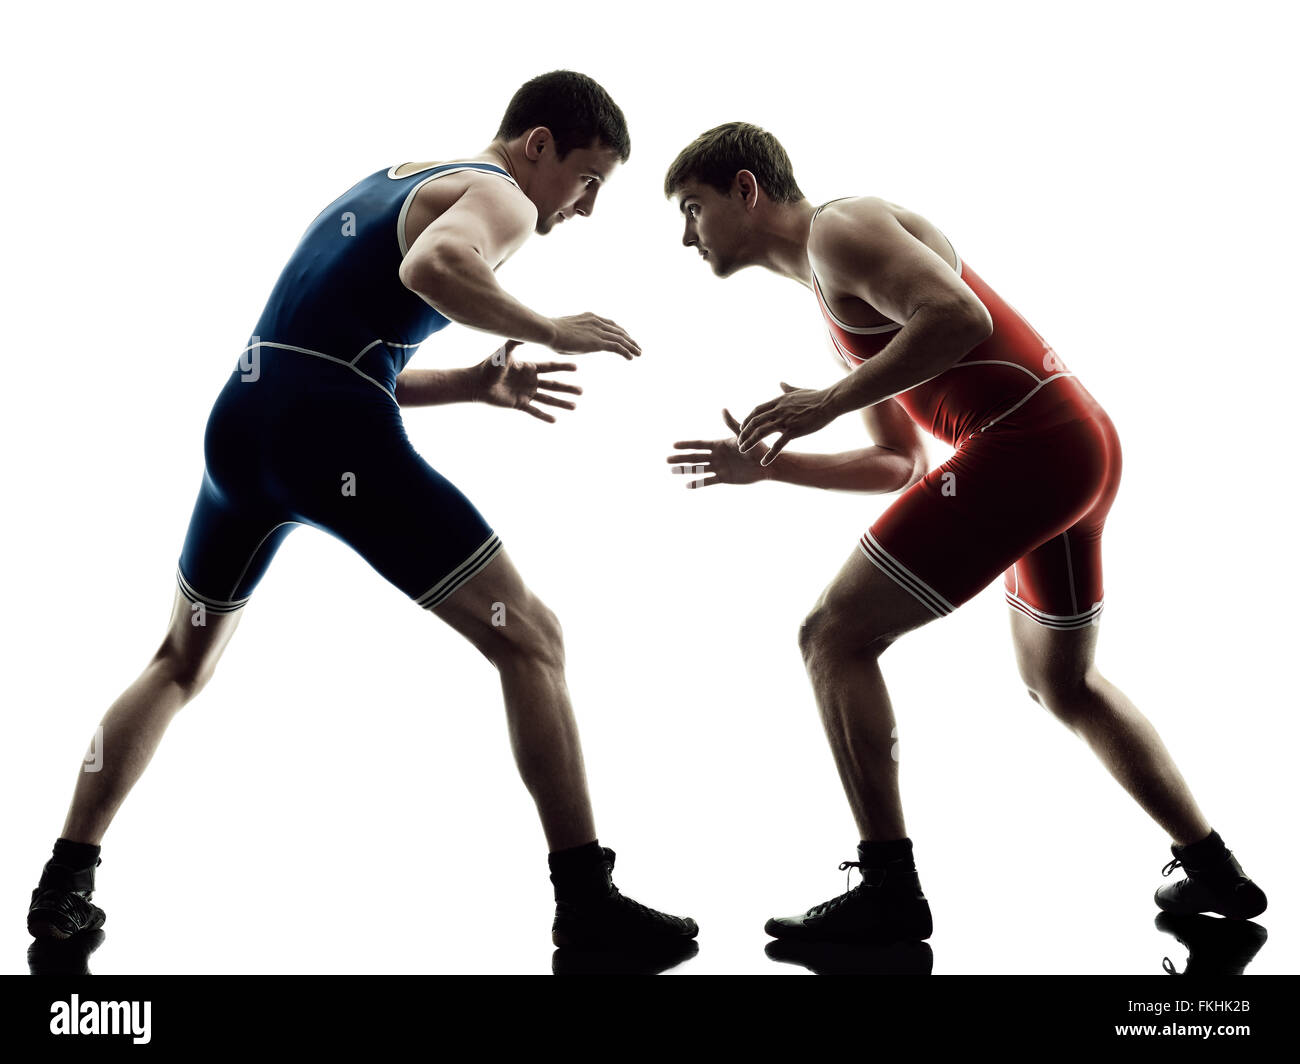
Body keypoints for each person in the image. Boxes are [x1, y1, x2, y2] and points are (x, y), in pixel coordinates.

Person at [27, 70, 698, 952]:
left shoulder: (397, 178)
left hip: (245, 421)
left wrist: (472, 381)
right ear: (539, 145)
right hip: (324, 429)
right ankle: (587, 905)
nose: (581, 210)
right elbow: (434, 268)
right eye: (586, 182)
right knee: (530, 636)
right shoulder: (499, 193)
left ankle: (63, 882)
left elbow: (332, 354)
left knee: (180, 660)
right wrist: (549, 328)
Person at [662, 121, 1265, 944]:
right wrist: (772, 468)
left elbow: (959, 316)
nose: (684, 236)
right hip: (1072, 447)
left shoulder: (841, 228)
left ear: (746, 190)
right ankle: (1215, 873)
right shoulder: (832, 293)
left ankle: (889, 893)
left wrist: (823, 404)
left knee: (830, 636)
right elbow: (899, 462)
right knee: (1063, 683)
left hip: (1030, 444)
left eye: (691, 208)